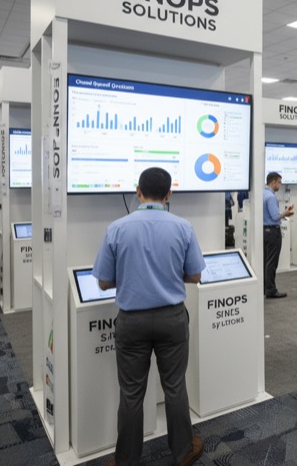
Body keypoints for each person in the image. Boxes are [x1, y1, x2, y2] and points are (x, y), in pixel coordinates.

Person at [92, 167, 205, 466]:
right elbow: (195, 275)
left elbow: (103, 282)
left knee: (131, 394)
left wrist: (132, 276)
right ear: (169, 195)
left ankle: (126, 460)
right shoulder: (183, 227)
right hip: (172, 320)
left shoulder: (117, 228)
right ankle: (182, 452)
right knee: (175, 387)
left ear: (138, 192)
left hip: (131, 322)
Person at [263, 172, 294, 298]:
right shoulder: (271, 197)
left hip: (264, 231)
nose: (280, 185)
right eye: (279, 182)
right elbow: (275, 216)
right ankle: (271, 290)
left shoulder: (262, 194)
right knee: (272, 262)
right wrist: (286, 213)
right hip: (272, 232)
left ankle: (265, 288)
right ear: (273, 182)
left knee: (265, 261)